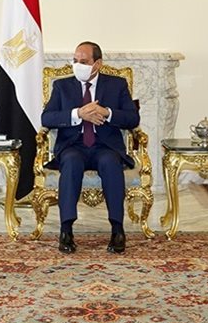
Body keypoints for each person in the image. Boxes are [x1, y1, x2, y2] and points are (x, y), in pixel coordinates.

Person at [40, 41, 140, 254]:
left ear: (97, 64)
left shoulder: (117, 85)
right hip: (73, 145)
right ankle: (66, 229)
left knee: (110, 162)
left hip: (105, 146)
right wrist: (78, 114)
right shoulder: (62, 86)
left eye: (83, 62)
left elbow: (132, 118)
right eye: (75, 60)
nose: (78, 65)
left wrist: (107, 112)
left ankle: (117, 229)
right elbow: (46, 118)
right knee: (71, 162)